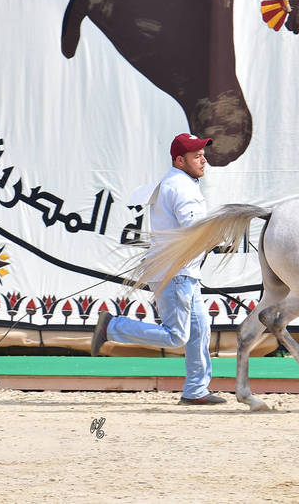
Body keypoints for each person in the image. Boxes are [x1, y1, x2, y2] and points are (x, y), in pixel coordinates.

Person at [91, 133, 227, 405]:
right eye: (196, 156)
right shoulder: (183, 188)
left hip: (180, 270)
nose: (203, 160)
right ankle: (112, 327)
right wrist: (219, 236)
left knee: (199, 329)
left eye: (203, 154)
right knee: (177, 336)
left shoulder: (178, 182)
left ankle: (196, 390)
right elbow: (194, 229)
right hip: (176, 273)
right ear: (179, 160)